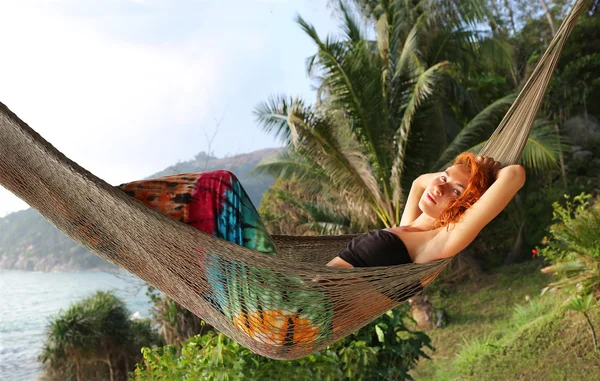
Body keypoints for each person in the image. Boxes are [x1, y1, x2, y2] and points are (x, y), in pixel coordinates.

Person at [114, 152, 525, 349]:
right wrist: (457, 173)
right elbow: (420, 183)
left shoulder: (438, 244)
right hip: (284, 308)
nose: (439, 186)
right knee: (205, 236)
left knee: (219, 186)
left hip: (293, 315)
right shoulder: (408, 225)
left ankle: (113, 208)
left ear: (467, 208)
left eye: (455, 191)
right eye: (444, 177)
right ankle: (109, 210)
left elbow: (513, 175)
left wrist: (477, 176)